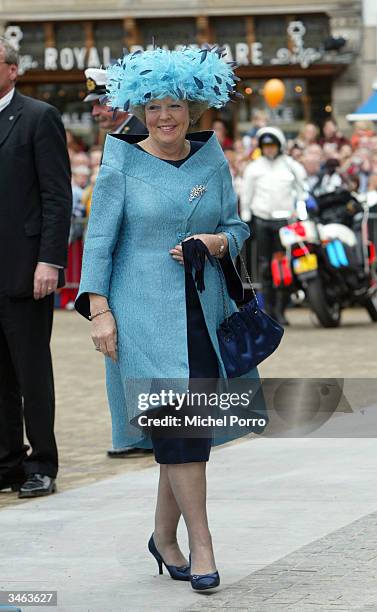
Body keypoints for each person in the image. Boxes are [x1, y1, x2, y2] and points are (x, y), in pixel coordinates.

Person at [75, 45, 267, 591]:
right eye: (154, 105)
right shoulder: (120, 160)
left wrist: (214, 240)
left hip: (203, 313)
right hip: (141, 314)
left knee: (188, 429)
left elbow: (236, 228)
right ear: (137, 108)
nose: (165, 116)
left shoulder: (212, 158)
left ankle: (163, 535)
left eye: (176, 105)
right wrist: (100, 311)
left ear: (194, 109)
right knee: (179, 427)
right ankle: (201, 544)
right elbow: (100, 241)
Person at [0, 38, 71, 497]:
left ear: (11, 69)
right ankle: (6, 462)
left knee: (30, 371)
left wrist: (50, 259)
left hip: (26, 269)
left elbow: (55, 196)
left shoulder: (38, 117)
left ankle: (42, 461)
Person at [241, 126, 307, 325]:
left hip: (285, 223)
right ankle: (268, 310)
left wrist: (302, 209)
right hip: (262, 221)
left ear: (279, 146)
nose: (269, 149)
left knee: (284, 266)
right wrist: (246, 218)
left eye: (272, 145)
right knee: (265, 266)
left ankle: (281, 309)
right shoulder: (254, 167)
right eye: (265, 146)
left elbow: (303, 189)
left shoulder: (290, 165)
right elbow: (246, 194)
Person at [84, 67, 148, 137]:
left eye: (101, 103)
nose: (94, 112)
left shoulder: (141, 134)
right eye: (93, 106)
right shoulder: (124, 132)